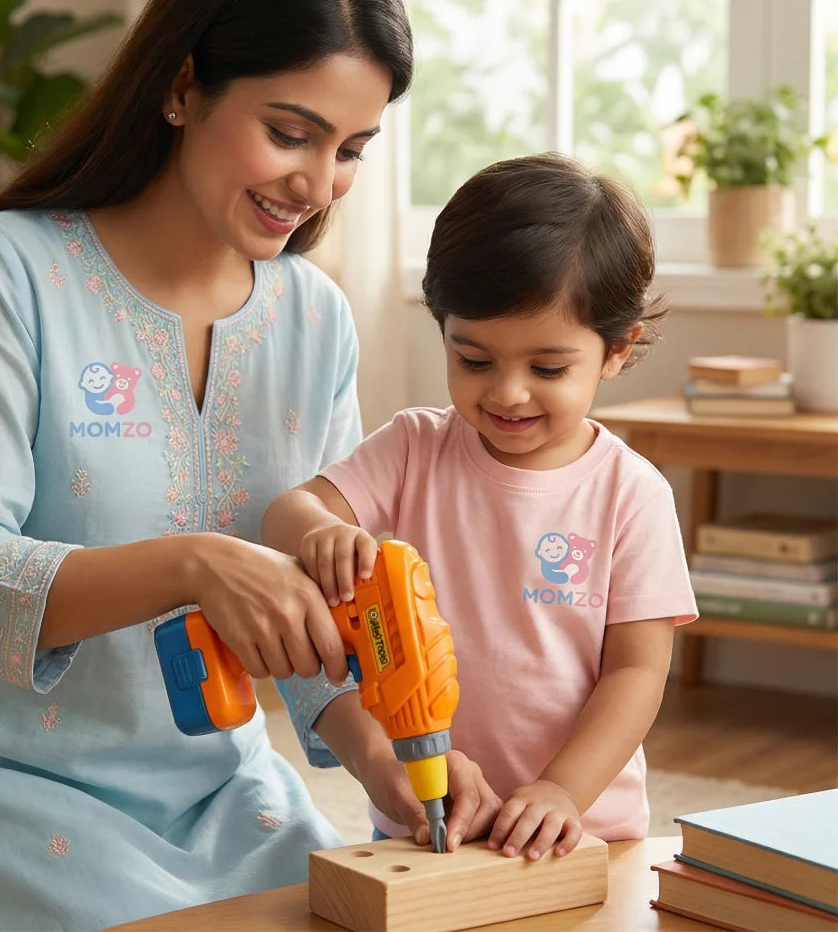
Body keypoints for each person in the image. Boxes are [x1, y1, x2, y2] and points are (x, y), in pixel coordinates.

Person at [0, 0, 412, 931]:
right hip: (3, 783)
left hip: (221, 792)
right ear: (183, 86)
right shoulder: (9, 269)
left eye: (351, 150)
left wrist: (392, 766)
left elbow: (315, 609)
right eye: (291, 133)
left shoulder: (316, 318)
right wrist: (194, 564)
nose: (318, 184)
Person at [263, 154, 699, 862]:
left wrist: (562, 791)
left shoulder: (633, 493)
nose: (507, 393)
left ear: (616, 351)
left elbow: (637, 673)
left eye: (547, 368)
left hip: (578, 830)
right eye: (473, 360)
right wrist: (319, 531)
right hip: (427, 815)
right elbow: (290, 510)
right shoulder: (413, 447)